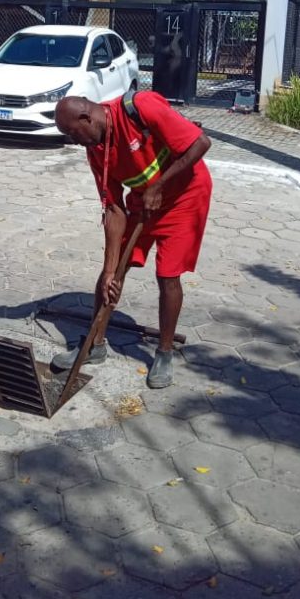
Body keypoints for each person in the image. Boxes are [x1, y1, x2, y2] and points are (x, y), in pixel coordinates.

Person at [52, 91, 212, 389]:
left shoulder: (138, 107)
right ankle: (94, 345)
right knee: (112, 272)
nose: (74, 141)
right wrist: (110, 270)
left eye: (73, 133)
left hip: (185, 196)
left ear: (87, 118)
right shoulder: (96, 150)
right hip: (144, 200)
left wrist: (159, 187)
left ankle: (164, 353)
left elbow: (200, 143)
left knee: (167, 275)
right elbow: (114, 209)